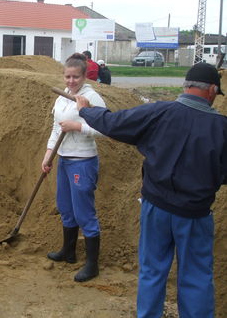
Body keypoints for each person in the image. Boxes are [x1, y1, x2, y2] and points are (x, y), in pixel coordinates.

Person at [75, 62, 226, 318]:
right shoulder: (221, 128)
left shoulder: (159, 112)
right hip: (195, 215)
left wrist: (86, 112)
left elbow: (114, 123)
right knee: (196, 275)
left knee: (152, 270)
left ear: (186, 86)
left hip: (155, 208)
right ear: (212, 90)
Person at [42, 53, 106, 282]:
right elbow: (55, 128)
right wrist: (48, 155)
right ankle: (68, 251)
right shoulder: (62, 98)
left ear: (84, 75)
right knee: (66, 208)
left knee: (84, 213)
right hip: (64, 160)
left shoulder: (92, 98)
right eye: (68, 76)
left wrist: (78, 127)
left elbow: (104, 128)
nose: (71, 81)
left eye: (75, 77)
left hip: (83, 161)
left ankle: (92, 264)